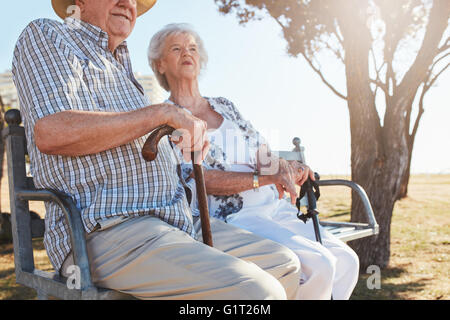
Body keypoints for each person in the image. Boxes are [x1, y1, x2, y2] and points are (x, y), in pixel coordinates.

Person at [11, 0, 301, 300]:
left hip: (176, 220)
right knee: (255, 293)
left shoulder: (122, 69)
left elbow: (139, 133)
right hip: (107, 228)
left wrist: (173, 138)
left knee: (286, 266)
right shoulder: (49, 34)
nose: (128, 3)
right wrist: (160, 114)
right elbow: (52, 132)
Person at [148, 22, 360, 300]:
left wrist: (286, 169)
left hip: (271, 206)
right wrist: (265, 178)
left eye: (192, 48)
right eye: (176, 48)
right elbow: (193, 176)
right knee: (318, 265)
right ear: (160, 64)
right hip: (232, 219)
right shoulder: (168, 117)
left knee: (346, 261)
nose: (187, 53)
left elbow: (261, 150)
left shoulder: (224, 105)